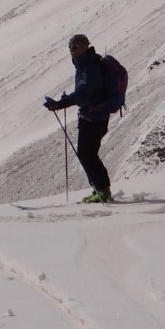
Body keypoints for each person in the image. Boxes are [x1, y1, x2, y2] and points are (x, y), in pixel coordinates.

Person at [43, 33, 117, 203]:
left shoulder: (89, 67)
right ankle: (100, 189)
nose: (73, 49)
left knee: (87, 154)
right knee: (88, 154)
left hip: (93, 117)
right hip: (95, 115)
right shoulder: (86, 64)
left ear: (85, 46)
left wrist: (60, 104)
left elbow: (83, 94)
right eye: (71, 46)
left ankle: (103, 191)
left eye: (77, 46)